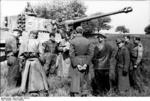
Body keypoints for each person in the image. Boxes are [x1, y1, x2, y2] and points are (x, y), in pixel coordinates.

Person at [19, 30, 49, 96]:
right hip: (36, 60)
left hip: (27, 60)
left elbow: (21, 53)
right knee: (38, 75)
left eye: (34, 34)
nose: (33, 35)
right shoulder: (38, 42)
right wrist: (43, 61)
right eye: (33, 34)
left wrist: (21, 62)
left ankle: (25, 89)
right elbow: (41, 53)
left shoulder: (24, 42)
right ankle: (38, 89)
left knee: (26, 75)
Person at [69, 26, 93, 96]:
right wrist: (86, 64)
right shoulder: (87, 41)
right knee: (84, 78)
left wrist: (77, 64)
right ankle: (84, 92)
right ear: (82, 32)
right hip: (85, 60)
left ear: (76, 32)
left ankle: (75, 93)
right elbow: (91, 53)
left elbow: (71, 54)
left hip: (76, 60)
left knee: (76, 77)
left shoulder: (73, 41)